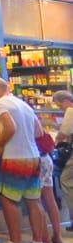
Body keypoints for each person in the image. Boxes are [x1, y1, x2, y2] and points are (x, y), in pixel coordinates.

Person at [0, 77, 46, 243]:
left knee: (9, 200)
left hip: (15, 158)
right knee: (34, 201)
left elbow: (10, 127)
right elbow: (39, 132)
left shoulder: (0, 104)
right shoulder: (24, 105)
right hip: (33, 156)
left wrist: (0, 144)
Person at [53, 91, 73, 233]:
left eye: (60, 105)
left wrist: (57, 139)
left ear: (66, 100)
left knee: (66, 181)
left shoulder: (70, 110)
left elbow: (64, 131)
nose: (61, 109)